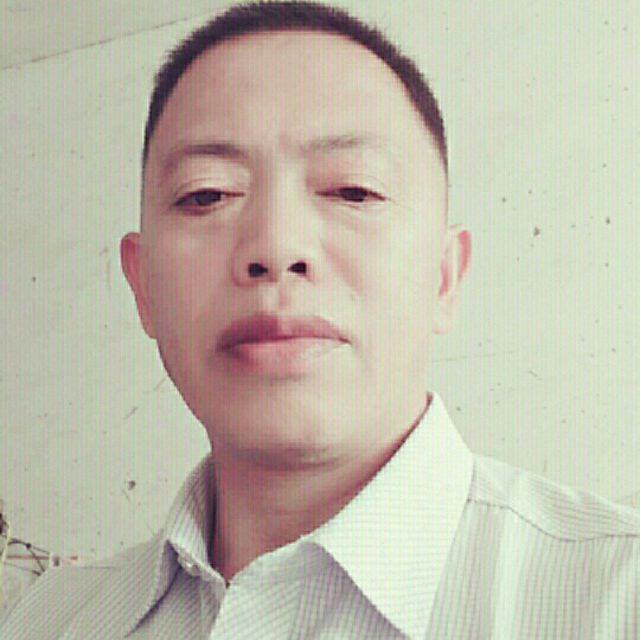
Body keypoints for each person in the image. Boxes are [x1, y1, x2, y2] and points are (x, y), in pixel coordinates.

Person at [2, 2, 638, 638]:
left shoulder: (616, 597)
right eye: (207, 193)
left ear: (444, 278)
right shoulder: (47, 619)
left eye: (353, 190)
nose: (276, 246)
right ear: (142, 286)